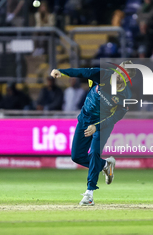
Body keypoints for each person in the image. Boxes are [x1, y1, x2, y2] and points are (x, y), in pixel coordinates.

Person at [50, 61, 136, 206]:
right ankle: (104, 165)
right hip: (85, 119)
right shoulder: (104, 75)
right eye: (117, 70)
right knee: (77, 156)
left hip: (103, 125)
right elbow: (83, 72)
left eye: (121, 74)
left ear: (127, 79)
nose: (116, 75)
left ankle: (89, 194)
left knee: (95, 152)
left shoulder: (125, 96)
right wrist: (62, 71)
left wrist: (97, 127)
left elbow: (115, 118)